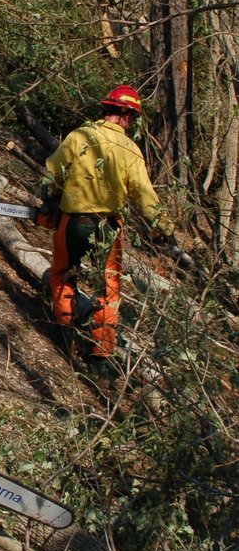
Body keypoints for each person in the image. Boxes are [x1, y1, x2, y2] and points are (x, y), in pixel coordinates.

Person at [44, 84, 176, 371]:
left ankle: (65, 332)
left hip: (73, 221)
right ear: (127, 116)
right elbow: (143, 193)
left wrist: (52, 196)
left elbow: (54, 170)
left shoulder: (81, 136)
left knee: (63, 274)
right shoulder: (130, 149)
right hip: (109, 227)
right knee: (109, 287)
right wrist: (163, 226)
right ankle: (100, 352)